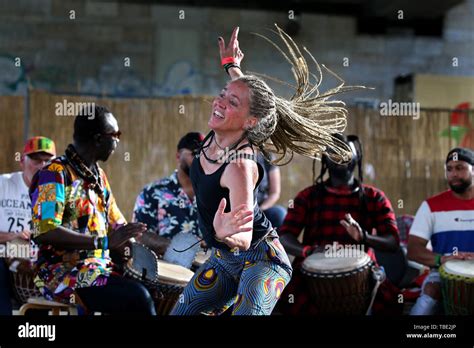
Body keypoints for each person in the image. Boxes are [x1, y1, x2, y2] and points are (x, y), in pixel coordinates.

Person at [171, 25, 366, 315]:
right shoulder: (229, 125)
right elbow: (246, 93)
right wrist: (231, 66)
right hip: (225, 260)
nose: (220, 102)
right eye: (222, 94)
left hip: (263, 259)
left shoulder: (239, 166)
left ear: (250, 122)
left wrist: (226, 234)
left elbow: (245, 237)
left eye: (231, 102)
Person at [30, 106, 156, 315]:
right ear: (98, 139)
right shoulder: (54, 174)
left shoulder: (98, 176)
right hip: (61, 273)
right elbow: (45, 231)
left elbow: (118, 225)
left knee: (151, 290)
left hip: (99, 268)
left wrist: (137, 245)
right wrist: (103, 242)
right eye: (115, 135)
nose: (117, 141)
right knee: (137, 298)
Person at [277, 133, 401, 315]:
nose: (340, 157)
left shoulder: (374, 197)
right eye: (333, 153)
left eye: (345, 152)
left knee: (392, 303)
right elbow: (285, 237)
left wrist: (364, 236)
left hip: (364, 273)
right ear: (325, 160)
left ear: (356, 157)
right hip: (311, 272)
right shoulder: (307, 196)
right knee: (290, 299)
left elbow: (392, 242)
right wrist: (308, 251)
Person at [408, 147, 474, 315]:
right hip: (442, 273)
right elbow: (413, 250)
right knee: (430, 293)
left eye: (460, 168)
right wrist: (442, 258)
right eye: (449, 169)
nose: (453, 174)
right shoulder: (431, 206)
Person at [0, 136, 56, 315]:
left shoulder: (51, 195)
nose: (42, 165)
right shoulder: (3, 184)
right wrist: (12, 236)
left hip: (33, 263)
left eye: (48, 160)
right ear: (22, 162)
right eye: (36, 160)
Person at [132, 132, 204, 268]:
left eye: (206, 155)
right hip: (167, 272)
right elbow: (140, 234)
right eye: (195, 153)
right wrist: (179, 249)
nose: (201, 160)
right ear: (178, 156)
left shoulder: (215, 193)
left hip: (208, 274)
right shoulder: (152, 192)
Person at [256, 152, 287, 229]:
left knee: (280, 214)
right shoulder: (231, 154)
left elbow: (274, 193)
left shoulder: (267, 157)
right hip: (238, 209)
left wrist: (260, 210)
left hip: (261, 208)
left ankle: (275, 240)